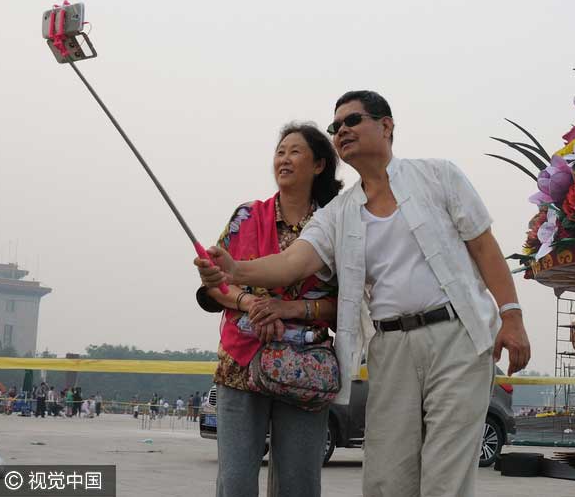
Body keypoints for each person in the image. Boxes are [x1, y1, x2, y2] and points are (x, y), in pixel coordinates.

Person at [197, 91, 531, 497]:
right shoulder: (339, 212)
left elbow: (483, 246)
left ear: (386, 126)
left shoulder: (439, 176)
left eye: (352, 121)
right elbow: (293, 261)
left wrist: (511, 316)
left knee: (446, 474)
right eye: (336, 127)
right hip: (389, 348)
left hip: (456, 337)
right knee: (386, 476)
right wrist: (235, 269)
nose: (342, 131)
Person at [195, 121, 342, 497]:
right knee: (236, 481)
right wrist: (250, 303)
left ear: (320, 165)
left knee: (300, 483)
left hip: (305, 369)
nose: (284, 159)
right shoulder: (246, 216)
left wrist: (289, 309)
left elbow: (349, 303)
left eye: (295, 151)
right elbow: (217, 283)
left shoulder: (336, 225)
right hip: (241, 364)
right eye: (280, 152)